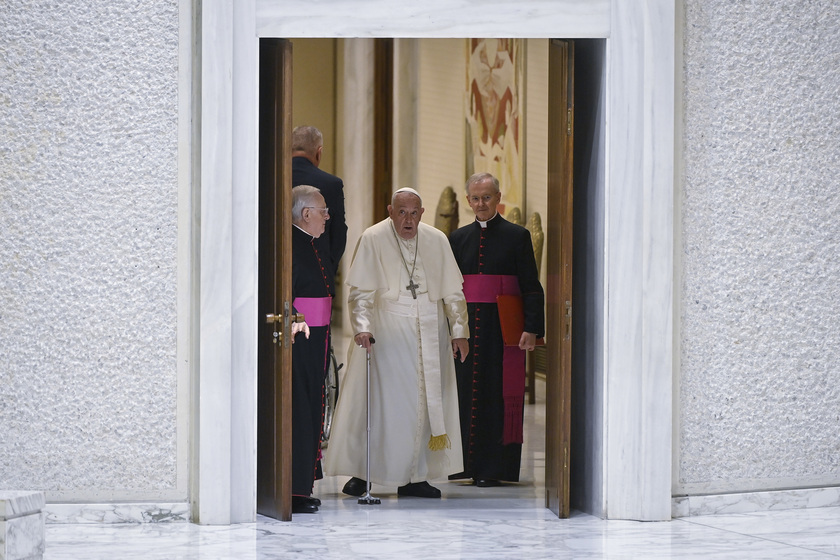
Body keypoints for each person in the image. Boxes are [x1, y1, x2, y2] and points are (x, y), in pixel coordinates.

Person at [324, 188, 470, 499]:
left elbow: (453, 293)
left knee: (423, 405)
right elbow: (361, 292)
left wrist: (460, 331)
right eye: (401, 212)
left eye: (414, 213)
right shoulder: (373, 237)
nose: (408, 220)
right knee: (382, 405)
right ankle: (364, 474)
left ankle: (415, 477)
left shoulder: (437, 240)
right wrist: (362, 328)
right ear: (390, 211)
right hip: (387, 334)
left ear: (422, 212)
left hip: (431, 333)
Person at [448, 172, 545, 487]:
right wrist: (451, 329)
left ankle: (492, 469)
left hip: (504, 332)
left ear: (498, 198)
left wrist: (531, 328)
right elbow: (450, 290)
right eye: (475, 198)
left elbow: (531, 287)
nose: (481, 204)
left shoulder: (517, 236)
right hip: (468, 329)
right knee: (464, 394)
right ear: (468, 202)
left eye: (486, 197)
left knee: (497, 397)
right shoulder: (457, 238)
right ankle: (463, 466)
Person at [289, 185, 334, 514]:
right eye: (323, 212)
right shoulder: (291, 245)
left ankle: (303, 485)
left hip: (315, 339)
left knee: (312, 406)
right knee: (301, 410)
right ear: (306, 215)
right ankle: (293, 490)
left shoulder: (309, 244)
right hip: (301, 342)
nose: (326, 218)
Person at [292, 125, 347, 277]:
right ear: (319, 152)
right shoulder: (331, 184)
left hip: (272, 278)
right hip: (316, 278)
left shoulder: (270, 179)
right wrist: (327, 270)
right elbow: (338, 235)